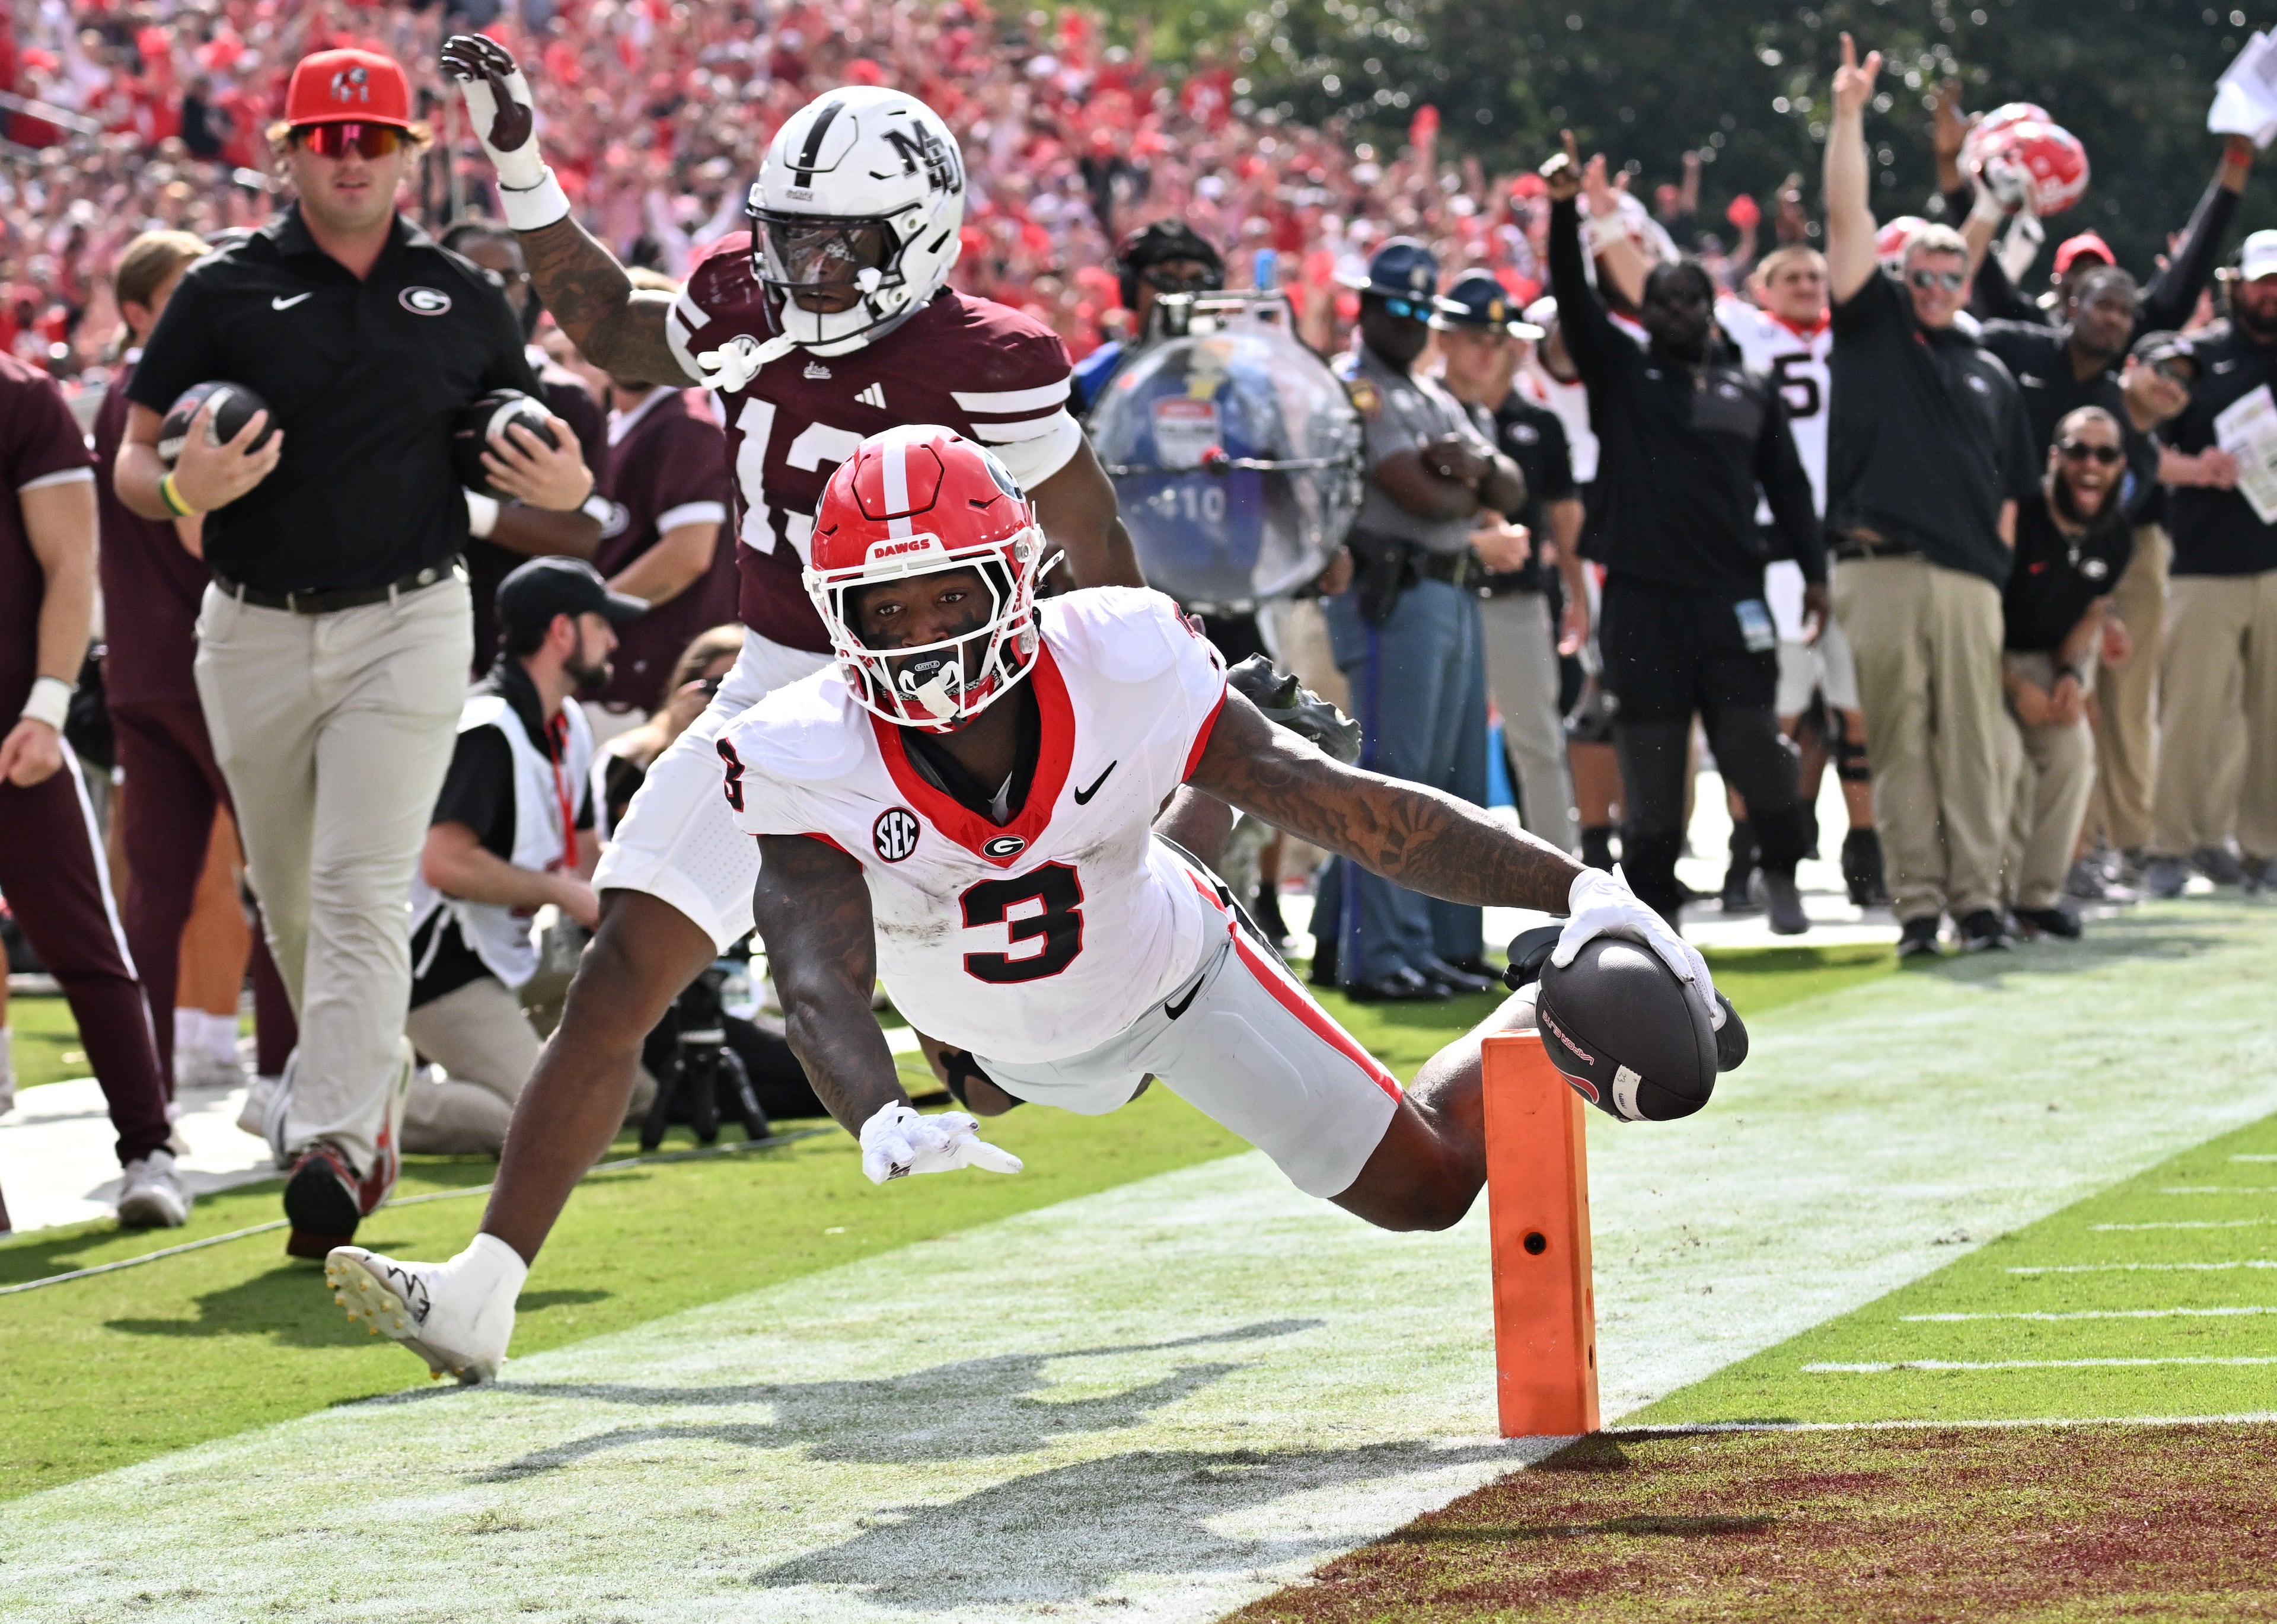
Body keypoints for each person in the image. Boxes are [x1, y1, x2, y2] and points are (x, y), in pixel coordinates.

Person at [324, 424, 1724, 1384]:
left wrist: (1577, 882)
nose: (924, 637)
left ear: (1020, 577)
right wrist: (871, 1112)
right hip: (979, 1031)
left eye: (949, 597)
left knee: (1427, 1194)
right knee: (977, 1069)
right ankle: (1076, 955)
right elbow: (812, 965)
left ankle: (1534, 1020)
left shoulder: (1119, 651)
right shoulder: (803, 742)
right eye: (886, 610)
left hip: (1174, 980)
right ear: (837, 619)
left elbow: (1355, 814)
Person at [430, 42, 1149, 1245]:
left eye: (842, 243)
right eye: (789, 236)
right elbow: (610, 321)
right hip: (776, 685)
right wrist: (518, 158)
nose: (805, 267)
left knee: (1018, 1030)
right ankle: (483, 1281)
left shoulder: (992, 361)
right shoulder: (735, 300)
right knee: (620, 969)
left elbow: (1089, 530)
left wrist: (1142, 674)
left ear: (921, 235)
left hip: (944, 701)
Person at [111, 48, 603, 1258]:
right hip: (253, 620)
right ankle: (366, 1108)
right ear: (285, 152)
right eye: (328, 140)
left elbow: (551, 463)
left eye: (374, 139)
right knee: (288, 898)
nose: (350, 159)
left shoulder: (463, 295)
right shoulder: (219, 290)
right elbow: (130, 465)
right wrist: (182, 482)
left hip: (412, 615)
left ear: (409, 155)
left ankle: (332, 1140)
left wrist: (574, 478)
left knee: (356, 887)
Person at [1543, 134, 1823, 935]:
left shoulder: (1752, 387)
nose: (1674, 312)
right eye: (1659, 301)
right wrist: (1567, 211)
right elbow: (1573, 293)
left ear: (1711, 307)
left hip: (1731, 594)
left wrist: (1815, 573)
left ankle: (1780, 871)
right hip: (1640, 597)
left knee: (1755, 745)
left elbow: (1791, 489)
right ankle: (1658, 912)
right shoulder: (1624, 375)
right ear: (1646, 311)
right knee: (1653, 763)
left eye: (1688, 300)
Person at [1822, 36, 2040, 958]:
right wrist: (1846, 114)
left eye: (1957, 272)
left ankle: (1980, 904)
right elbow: (1845, 214)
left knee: (1977, 750)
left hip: (1967, 579)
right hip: (1879, 566)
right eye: (1926, 272)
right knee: (1900, 745)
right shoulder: (1873, 328)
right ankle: (1918, 908)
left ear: (1969, 280)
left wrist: (1993, 571)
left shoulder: (1990, 365)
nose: (1942, 285)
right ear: (1902, 277)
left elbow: (2014, 491)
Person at [91, 229, 296, 1097]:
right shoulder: (188, 393)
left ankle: (147, 1087)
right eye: (185, 288)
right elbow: (197, 530)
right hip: (212, 663)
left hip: (138, 668)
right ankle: (284, 1074)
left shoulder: (117, 398)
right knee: (280, 871)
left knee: (158, 884)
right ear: (141, 310)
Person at [0, 347, 184, 1227]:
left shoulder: (21, 396)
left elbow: (74, 559)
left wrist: (44, 703)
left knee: (82, 940)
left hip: (13, 730)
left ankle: (149, 1146)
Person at [1320, 237, 1526, 1000]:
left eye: (1420, 309)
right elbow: (1420, 494)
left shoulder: (1432, 394)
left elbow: (1510, 486)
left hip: (1452, 587)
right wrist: (1468, 482)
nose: (1408, 322)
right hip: (1392, 591)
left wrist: (1469, 474)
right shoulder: (1359, 388)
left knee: (1455, 778)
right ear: (1367, 308)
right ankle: (1384, 956)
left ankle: (1442, 943)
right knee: (1395, 777)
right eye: (1396, 307)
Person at [398, 558, 640, 1154]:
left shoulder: (569, 722)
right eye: (602, 623)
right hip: (435, 964)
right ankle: (314, 1104)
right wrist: (559, 892)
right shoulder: (486, 726)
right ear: (563, 632)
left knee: (629, 1094)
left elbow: (587, 860)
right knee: (544, 1119)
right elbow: (444, 863)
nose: (613, 638)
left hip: (507, 953)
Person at [1717, 245, 1886, 911]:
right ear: (1762, 287)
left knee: (1857, 714)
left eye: (1817, 276)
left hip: (1844, 543)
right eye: (1792, 277)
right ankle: (1748, 855)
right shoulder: (1747, 332)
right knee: (1772, 717)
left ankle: (1866, 853)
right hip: (1777, 549)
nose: (1808, 287)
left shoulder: (1851, 336)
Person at [2140, 231, 2277, 898]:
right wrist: (2199, 470)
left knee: (2273, 720)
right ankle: (2168, 845)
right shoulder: (2195, 359)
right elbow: (2142, 446)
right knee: (2191, 714)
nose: (2273, 293)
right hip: (2202, 565)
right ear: (2237, 285)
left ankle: (2264, 850)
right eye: (2263, 281)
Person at [1430, 269, 1583, 856]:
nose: (1491, 352)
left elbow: (1566, 521)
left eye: (1501, 341)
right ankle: (1437, 909)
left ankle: (1563, 887)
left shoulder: (1534, 422)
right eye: (1476, 337)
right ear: (1443, 338)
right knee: (1432, 756)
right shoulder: (1422, 408)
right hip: (1439, 593)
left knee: (1538, 744)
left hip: (1515, 597)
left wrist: (1575, 598)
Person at [436, 215, 611, 672]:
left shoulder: (564, 399)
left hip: (517, 657)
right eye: (474, 273)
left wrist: (462, 509)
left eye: (509, 277)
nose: (492, 288)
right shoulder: (403, 386)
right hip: (407, 637)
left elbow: (582, 533)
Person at [2001, 407, 2132, 938]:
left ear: (2121, 465)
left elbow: (2091, 612)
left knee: (2074, 750)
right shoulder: (2020, 514)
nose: (2091, 464)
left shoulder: (2115, 534)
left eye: (2105, 454)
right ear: (2054, 456)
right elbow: (1979, 613)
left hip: (2045, 656)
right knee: (2003, 758)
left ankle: (2036, 897)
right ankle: (1985, 900)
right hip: (1986, 653)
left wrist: (2070, 675)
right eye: (2079, 450)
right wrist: (2012, 684)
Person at [583, 267, 735, 725]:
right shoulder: (618, 421)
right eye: (617, 325)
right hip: (615, 671)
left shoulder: (684, 424)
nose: (631, 341)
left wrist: (586, 611)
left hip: (646, 682)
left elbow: (688, 554)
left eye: (648, 329)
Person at [2082, 331, 2199, 891]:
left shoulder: (2147, 454)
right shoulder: (2092, 408)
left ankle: (2126, 840)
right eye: (2164, 371)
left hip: (2116, 566)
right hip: (2061, 570)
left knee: (2127, 707)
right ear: (2130, 365)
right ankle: (2082, 845)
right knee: (2079, 707)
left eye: (2183, 382)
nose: (2172, 387)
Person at [594, 624, 744, 837]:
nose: (734, 699)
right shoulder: (630, 758)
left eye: (743, 687)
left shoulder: (775, 755)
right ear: (686, 686)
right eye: (718, 685)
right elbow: (641, 840)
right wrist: (680, 746)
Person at [1070, 220, 1225, 416]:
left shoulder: (1241, 374)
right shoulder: (1096, 376)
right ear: (1131, 290)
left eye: (1198, 281)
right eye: (1164, 280)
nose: (1182, 292)